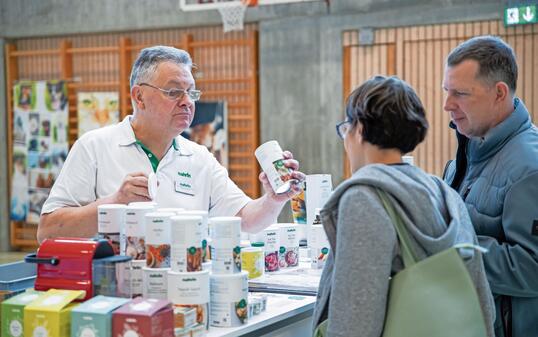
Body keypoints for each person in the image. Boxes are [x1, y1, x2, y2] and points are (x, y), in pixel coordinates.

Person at [38, 46, 304, 243]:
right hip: (114, 297)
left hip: (187, 291)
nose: (187, 101)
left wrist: (273, 199)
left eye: (191, 92)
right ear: (139, 97)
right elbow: (48, 231)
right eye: (174, 92)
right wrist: (116, 202)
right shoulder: (94, 147)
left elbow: (247, 218)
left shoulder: (199, 156)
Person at [312, 75, 495, 337]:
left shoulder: (364, 198)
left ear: (360, 129)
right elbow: (481, 296)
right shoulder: (442, 191)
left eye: (345, 129)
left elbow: (354, 321)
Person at [442, 36, 538, 337]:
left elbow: (532, 267)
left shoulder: (530, 168)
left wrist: (446, 248)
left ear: (499, 93)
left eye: (460, 93)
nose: (447, 105)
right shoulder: (464, 156)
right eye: (447, 91)